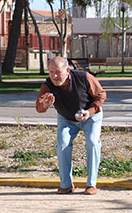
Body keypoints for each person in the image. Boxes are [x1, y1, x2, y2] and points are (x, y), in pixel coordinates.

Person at [36, 56, 106, 195]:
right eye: (51, 72)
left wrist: (89, 112)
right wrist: (45, 104)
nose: (54, 76)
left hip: (90, 116)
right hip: (66, 118)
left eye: (58, 72)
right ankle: (66, 184)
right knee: (62, 144)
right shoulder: (47, 86)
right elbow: (39, 107)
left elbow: (101, 95)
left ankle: (91, 184)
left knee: (92, 142)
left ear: (67, 70)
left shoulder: (83, 77)